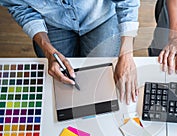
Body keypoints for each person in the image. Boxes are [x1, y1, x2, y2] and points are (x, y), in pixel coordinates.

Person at [0, 0, 140, 104]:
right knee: (61, 84)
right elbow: (20, 7)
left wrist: (126, 54)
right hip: (53, 22)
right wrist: (48, 50)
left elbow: (128, 2)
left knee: (99, 75)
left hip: (101, 17)